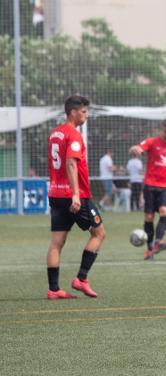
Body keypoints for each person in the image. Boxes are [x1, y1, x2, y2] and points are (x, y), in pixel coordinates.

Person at [46, 95, 105, 300]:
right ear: (73, 112)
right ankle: (81, 278)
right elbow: (71, 163)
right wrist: (76, 195)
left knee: (57, 242)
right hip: (74, 196)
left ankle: (54, 289)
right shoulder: (74, 135)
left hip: (55, 193)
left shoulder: (55, 133)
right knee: (99, 234)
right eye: (83, 111)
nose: (85, 114)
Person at [129, 119, 166, 260]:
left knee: (165, 211)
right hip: (151, 184)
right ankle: (149, 251)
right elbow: (138, 149)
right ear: (160, 130)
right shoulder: (152, 142)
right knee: (149, 217)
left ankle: (158, 241)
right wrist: (134, 149)